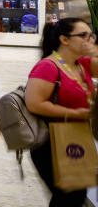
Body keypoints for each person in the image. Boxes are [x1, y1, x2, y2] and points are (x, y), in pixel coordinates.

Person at [25, 18, 98, 207]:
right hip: (50, 142)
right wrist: (73, 114)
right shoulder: (48, 67)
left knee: (75, 194)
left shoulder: (81, 64)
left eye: (91, 35)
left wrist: (94, 50)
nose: (88, 40)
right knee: (67, 196)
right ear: (64, 39)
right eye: (83, 35)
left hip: (74, 138)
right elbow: (34, 103)